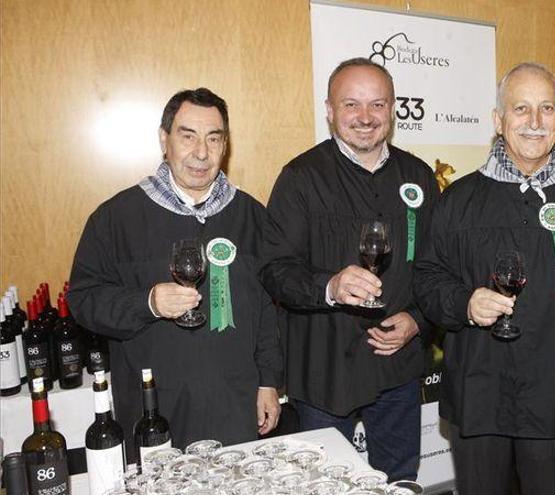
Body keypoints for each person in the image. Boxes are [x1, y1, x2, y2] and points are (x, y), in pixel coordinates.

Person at [413, 62, 555, 494]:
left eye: (546, 108)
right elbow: (426, 276)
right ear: (498, 121)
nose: (534, 122)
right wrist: (464, 303)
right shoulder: (458, 200)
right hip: (479, 396)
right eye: (521, 109)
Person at [68, 88, 283, 460]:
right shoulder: (116, 218)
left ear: (225, 146)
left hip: (236, 405)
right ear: (164, 139)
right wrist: (146, 302)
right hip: (155, 410)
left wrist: (269, 382)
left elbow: (267, 309)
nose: (202, 153)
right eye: (188, 136)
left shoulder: (251, 216)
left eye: (213, 139)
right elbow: (84, 300)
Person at [259, 58, 438, 481]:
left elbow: (438, 269)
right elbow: (273, 269)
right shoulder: (300, 177)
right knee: (327, 485)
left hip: (398, 367)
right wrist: (329, 286)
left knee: (400, 480)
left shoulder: (419, 176)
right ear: (329, 110)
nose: (364, 117)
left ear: (393, 109)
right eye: (351, 104)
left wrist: (418, 319)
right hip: (325, 370)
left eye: (377, 104)